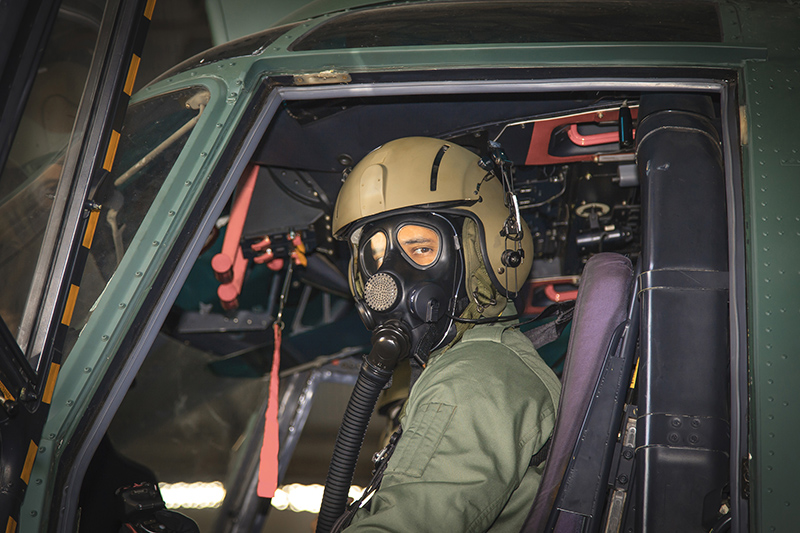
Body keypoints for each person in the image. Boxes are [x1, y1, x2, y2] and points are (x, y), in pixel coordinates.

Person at [329, 137, 561, 532]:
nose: (387, 280)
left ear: (481, 256)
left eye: (419, 249)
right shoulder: (473, 365)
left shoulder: (473, 380)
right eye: (376, 258)